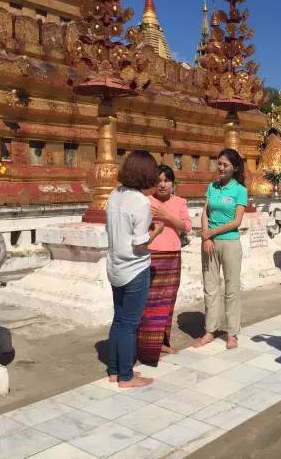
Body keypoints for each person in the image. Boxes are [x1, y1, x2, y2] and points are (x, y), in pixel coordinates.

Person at [106, 150, 165, 388]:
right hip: (134, 267)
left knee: (119, 319)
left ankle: (114, 370)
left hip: (115, 266)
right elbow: (140, 244)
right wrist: (156, 232)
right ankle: (126, 376)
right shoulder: (141, 202)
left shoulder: (115, 195)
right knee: (129, 324)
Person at [137, 165, 192, 364]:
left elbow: (187, 227)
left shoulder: (180, 202)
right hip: (151, 256)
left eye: (167, 180)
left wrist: (166, 215)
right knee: (150, 302)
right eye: (158, 180)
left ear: (172, 183)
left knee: (167, 301)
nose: (162, 185)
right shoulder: (145, 201)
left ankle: (162, 341)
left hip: (173, 256)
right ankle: (146, 346)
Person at [194, 148, 248, 350]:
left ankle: (232, 332)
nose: (221, 168)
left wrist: (212, 232)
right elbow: (205, 213)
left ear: (235, 168)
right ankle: (210, 330)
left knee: (231, 288)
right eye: (219, 163)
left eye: (226, 165)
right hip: (209, 243)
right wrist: (206, 236)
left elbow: (236, 221)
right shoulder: (212, 187)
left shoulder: (240, 190)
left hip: (230, 243)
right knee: (210, 287)